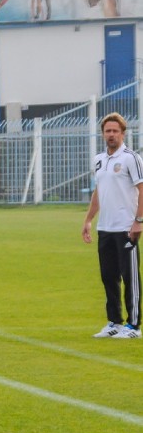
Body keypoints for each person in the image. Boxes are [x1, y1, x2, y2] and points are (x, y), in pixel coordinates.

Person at [82, 112, 143, 339]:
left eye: (115, 131)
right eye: (107, 131)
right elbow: (99, 191)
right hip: (105, 228)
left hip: (126, 227)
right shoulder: (99, 159)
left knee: (130, 277)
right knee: (108, 276)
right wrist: (89, 219)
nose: (111, 134)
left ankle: (134, 326)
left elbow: (142, 189)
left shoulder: (131, 158)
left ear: (123, 133)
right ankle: (114, 322)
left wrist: (138, 222)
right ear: (103, 134)